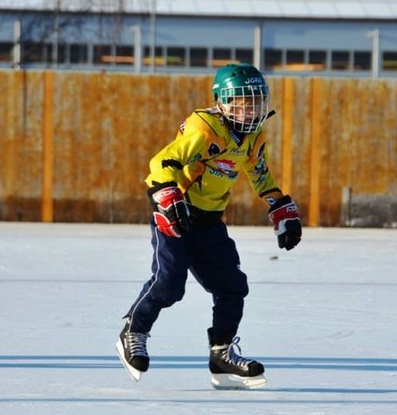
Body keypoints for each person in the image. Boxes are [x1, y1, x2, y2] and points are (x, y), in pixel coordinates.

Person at [116, 63, 302, 390]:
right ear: (221, 101)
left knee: (232, 286)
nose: (249, 109)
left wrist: (278, 204)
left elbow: (260, 175)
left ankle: (222, 354)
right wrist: (167, 194)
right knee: (169, 284)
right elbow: (162, 162)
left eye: (255, 101)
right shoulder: (205, 129)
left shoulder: (253, 137)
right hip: (177, 212)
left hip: (211, 220)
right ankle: (134, 330)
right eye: (241, 102)